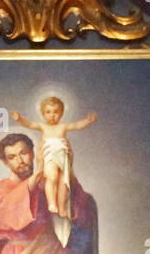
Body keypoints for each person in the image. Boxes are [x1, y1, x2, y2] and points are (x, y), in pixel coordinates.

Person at [10, 97, 97, 244]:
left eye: (56, 112)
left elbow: (76, 125)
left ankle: (62, 207)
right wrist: (19, 119)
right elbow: (29, 123)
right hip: (49, 154)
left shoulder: (62, 127)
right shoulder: (43, 127)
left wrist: (88, 121)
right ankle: (52, 203)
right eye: (48, 112)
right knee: (52, 177)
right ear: (43, 114)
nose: (52, 115)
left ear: (61, 113)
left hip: (62, 155)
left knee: (64, 182)